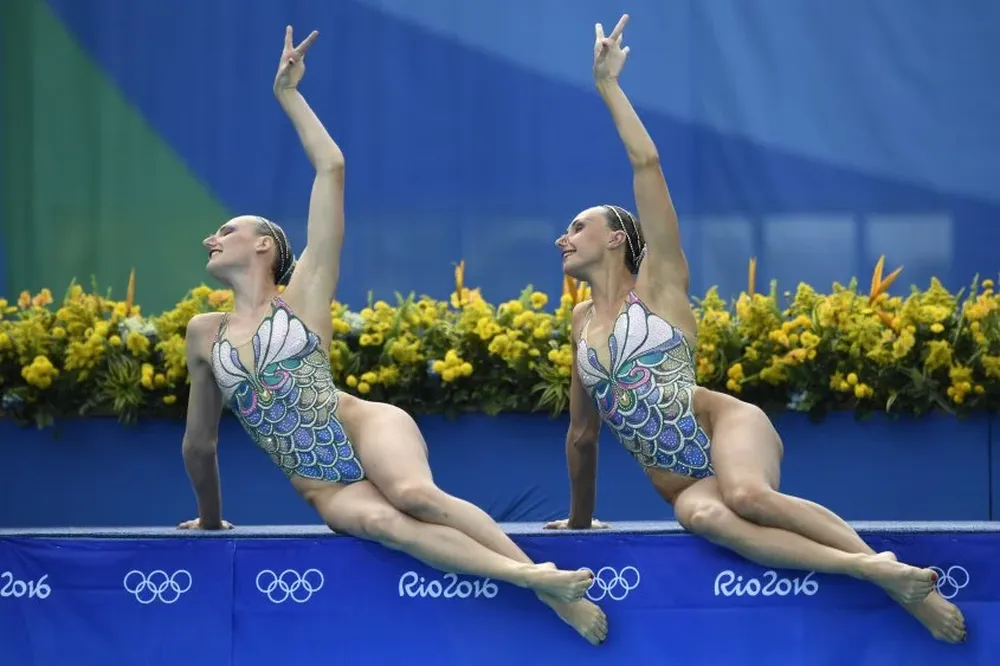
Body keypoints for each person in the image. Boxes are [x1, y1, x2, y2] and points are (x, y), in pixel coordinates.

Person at [176, 26, 607, 646]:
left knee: (413, 493)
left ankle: (550, 587)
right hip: (324, 484)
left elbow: (332, 167)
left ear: (264, 245)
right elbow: (199, 444)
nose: (209, 239)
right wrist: (212, 523)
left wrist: (289, 95)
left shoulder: (305, 296)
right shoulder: (203, 334)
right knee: (387, 522)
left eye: (225, 230)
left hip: (363, 424)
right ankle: (536, 580)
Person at [544, 14, 966, 645]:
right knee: (709, 515)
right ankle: (871, 570)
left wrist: (608, 86)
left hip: (726, 428)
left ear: (615, 238)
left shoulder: (659, 286)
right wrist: (580, 526)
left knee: (746, 494)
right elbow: (582, 436)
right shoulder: (579, 323)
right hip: (683, 486)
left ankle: (900, 583)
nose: (564, 237)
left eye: (577, 227)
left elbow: (648, 163)